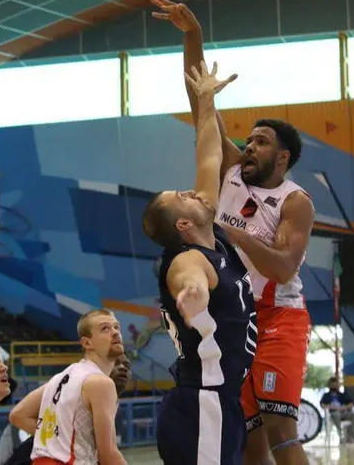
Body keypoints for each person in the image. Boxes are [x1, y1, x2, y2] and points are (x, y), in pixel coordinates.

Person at [152, 0, 314, 465]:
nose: (249, 145)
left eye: (261, 143)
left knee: (281, 424)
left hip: (279, 314)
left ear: (282, 158)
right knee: (248, 434)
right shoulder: (229, 172)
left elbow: (284, 268)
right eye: (249, 138)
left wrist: (229, 231)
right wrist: (192, 36)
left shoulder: (295, 201)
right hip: (236, 311)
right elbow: (202, 105)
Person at [140, 59, 256, 465]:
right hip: (201, 405)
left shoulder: (212, 236)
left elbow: (208, 153)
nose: (195, 189)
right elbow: (189, 280)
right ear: (185, 222)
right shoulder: (187, 260)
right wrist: (192, 295)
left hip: (217, 401)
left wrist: (205, 99)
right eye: (184, 195)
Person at [8, 309, 127, 465]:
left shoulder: (61, 377)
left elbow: (18, 415)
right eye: (105, 328)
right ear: (87, 343)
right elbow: (109, 456)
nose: (115, 333)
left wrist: (55, 440)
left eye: (116, 327)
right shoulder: (100, 383)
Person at [1, 354, 132, 465]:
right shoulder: (73, 382)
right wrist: (56, 436)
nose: (123, 368)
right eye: (116, 363)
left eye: (127, 366)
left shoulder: (107, 400)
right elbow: (17, 414)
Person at [319, 377, 354, 444]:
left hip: (343, 413)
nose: (334, 386)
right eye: (332, 384)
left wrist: (344, 407)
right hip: (333, 414)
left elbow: (351, 404)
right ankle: (341, 436)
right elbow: (322, 404)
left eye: (335, 384)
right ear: (329, 385)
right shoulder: (326, 395)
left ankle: (350, 435)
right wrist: (331, 407)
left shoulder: (341, 395)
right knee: (336, 414)